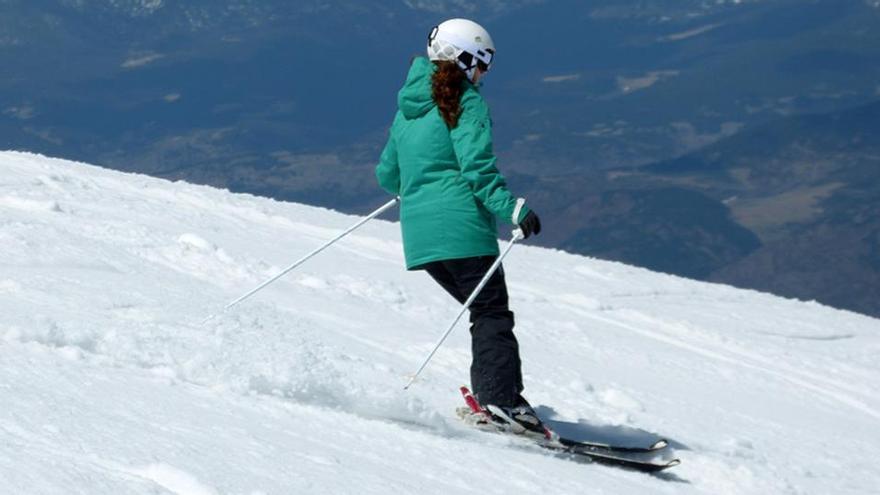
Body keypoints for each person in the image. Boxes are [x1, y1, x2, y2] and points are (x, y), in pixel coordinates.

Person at [375, 18, 543, 434]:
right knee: (491, 313)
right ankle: (502, 402)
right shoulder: (467, 103)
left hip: (420, 240)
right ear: (463, 59)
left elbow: (387, 174)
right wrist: (515, 209)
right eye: (482, 64)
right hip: (462, 230)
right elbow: (478, 169)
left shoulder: (408, 107)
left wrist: (417, 187)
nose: (484, 74)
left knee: (482, 312)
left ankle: (494, 397)